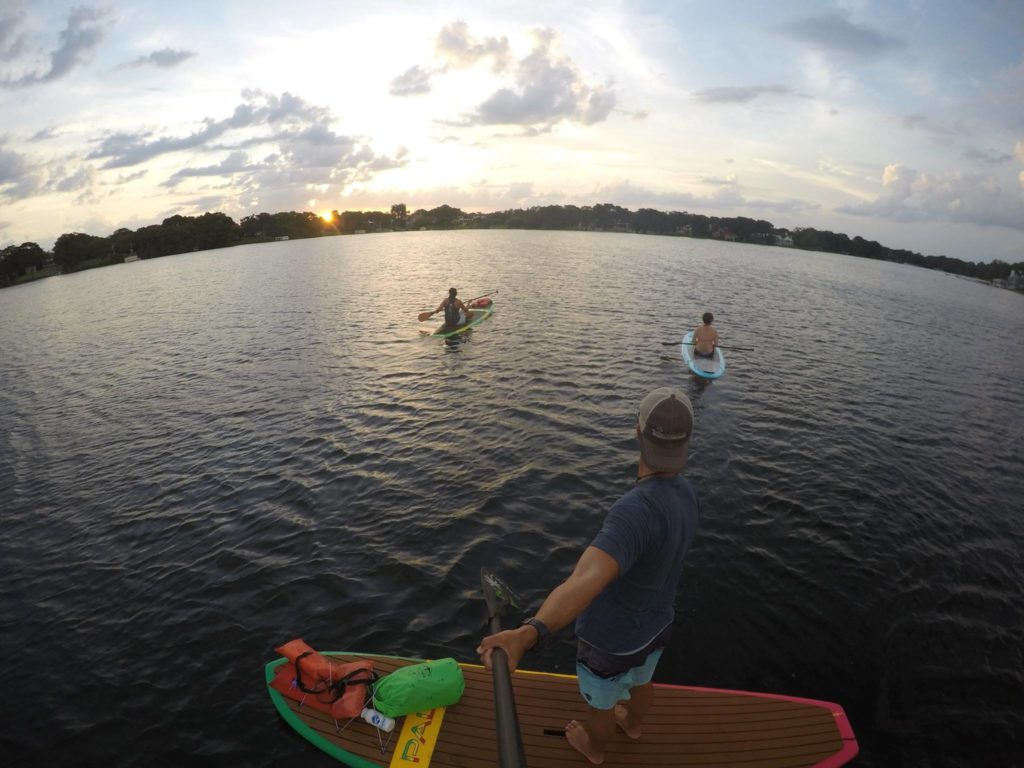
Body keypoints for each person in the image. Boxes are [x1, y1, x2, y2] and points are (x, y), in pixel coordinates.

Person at [477, 388, 700, 765]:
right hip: (658, 624)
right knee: (642, 681)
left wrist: (527, 633)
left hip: (611, 641)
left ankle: (594, 748)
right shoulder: (687, 494)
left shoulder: (634, 512)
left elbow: (585, 581)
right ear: (686, 443)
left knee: (601, 706)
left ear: (637, 432)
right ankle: (632, 724)